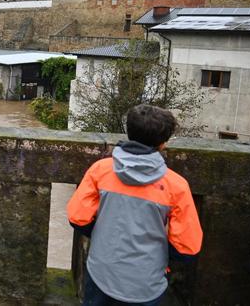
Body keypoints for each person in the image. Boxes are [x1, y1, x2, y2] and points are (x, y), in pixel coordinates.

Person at [67, 104, 203, 306]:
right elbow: (187, 247)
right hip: (145, 281)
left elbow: (77, 218)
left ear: (129, 132)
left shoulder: (101, 170)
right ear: (163, 143)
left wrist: (102, 234)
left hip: (102, 272)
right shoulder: (176, 186)